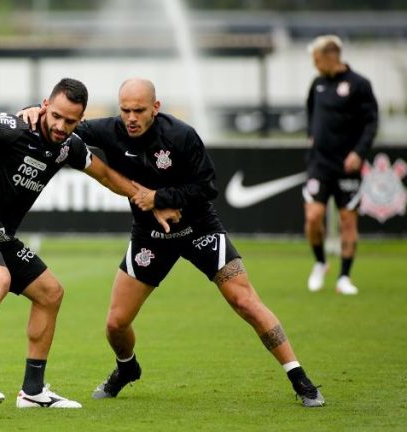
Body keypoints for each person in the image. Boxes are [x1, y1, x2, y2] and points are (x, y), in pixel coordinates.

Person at [19, 77, 325, 407]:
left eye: (139, 110)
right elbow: (63, 124)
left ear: (156, 107)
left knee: (245, 301)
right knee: (115, 324)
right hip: (150, 237)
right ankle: (127, 368)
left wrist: (160, 197)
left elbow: (208, 187)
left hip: (199, 229)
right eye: (125, 110)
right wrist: (35, 109)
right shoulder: (108, 130)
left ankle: (300, 379)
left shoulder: (181, 136)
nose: (131, 117)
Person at [0, 78, 177, 409]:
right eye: (55, 116)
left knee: (50, 293)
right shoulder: (13, 128)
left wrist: (147, 197)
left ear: (80, 120)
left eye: (70, 121)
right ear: (44, 105)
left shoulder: (68, 146)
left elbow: (105, 175)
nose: (60, 126)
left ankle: (32, 390)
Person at [303, 35, 378, 295]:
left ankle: (344, 277)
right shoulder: (317, 84)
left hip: (347, 166)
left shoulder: (359, 85)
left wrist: (359, 152)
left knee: (348, 220)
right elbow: (311, 114)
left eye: (316, 59)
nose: (314, 65)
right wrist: (312, 137)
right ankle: (320, 262)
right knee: (313, 217)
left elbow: (371, 123)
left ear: (330, 55)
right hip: (319, 165)